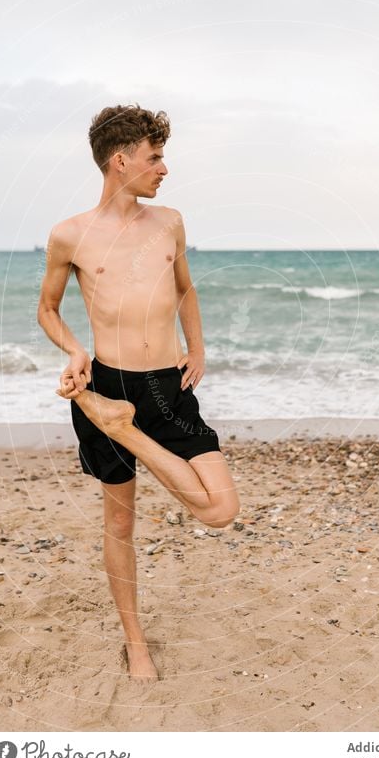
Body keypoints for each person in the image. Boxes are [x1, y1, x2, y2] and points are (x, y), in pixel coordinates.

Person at [37, 104, 241, 680]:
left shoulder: (170, 222)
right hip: (108, 381)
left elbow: (186, 289)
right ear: (120, 160)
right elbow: (48, 310)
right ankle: (137, 644)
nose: (164, 169)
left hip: (166, 390)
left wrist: (196, 348)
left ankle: (120, 425)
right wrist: (75, 352)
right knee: (120, 525)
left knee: (220, 509)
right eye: (155, 158)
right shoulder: (69, 235)